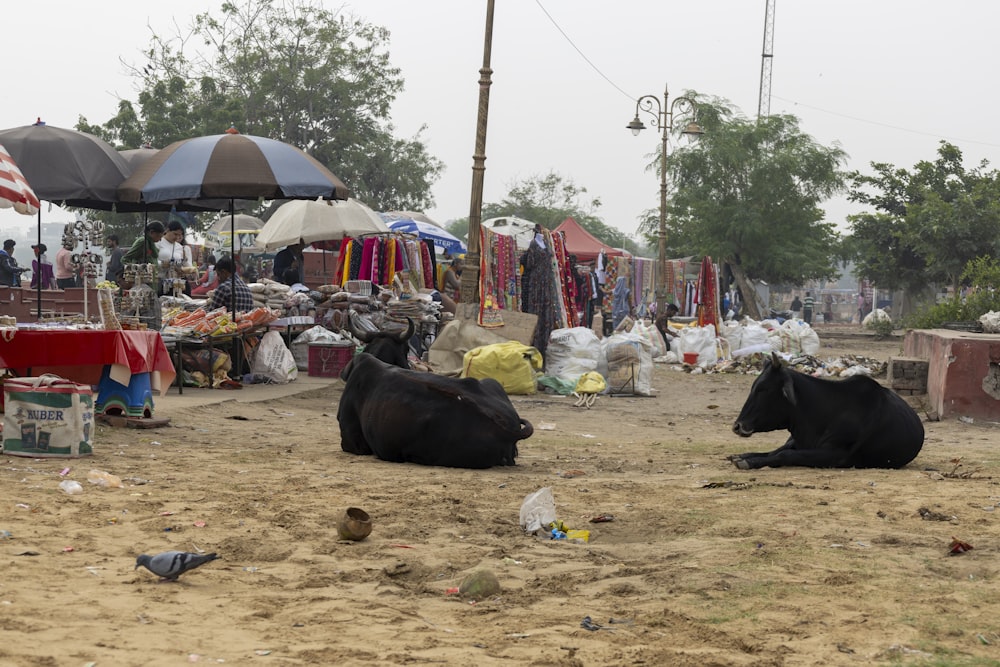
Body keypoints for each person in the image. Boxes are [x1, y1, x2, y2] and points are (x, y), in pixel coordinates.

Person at [156, 220, 194, 295]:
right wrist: (162, 264)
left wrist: (184, 267)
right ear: (167, 230)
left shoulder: (179, 247)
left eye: (179, 235)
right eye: (175, 234)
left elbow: (185, 265)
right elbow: (152, 261)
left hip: (176, 283)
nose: (176, 237)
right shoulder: (158, 243)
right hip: (161, 281)